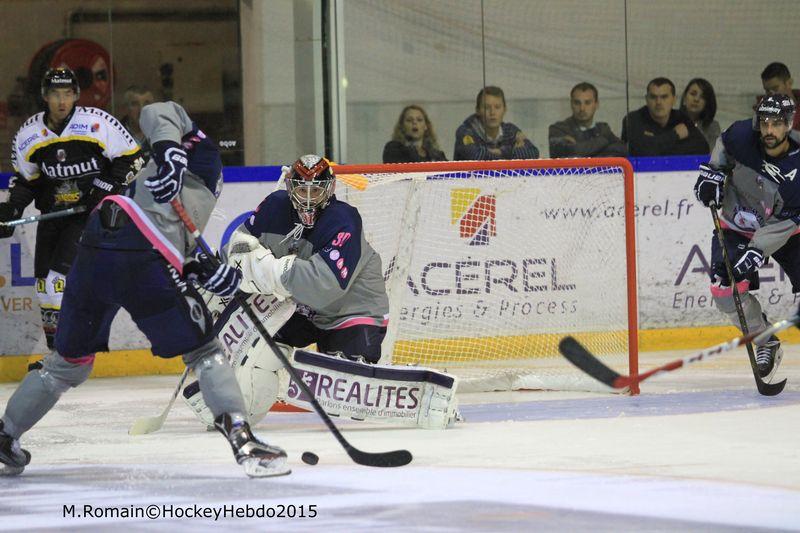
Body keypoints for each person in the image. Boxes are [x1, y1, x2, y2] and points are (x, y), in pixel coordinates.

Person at [0, 101, 290, 478]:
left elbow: (172, 246)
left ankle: (6, 435)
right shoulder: (198, 151)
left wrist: (201, 270)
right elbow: (159, 110)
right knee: (204, 352)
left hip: (94, 251)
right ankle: (242, 438)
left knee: (65, 367)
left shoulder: (178, 188)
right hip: (139, 254)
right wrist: (170, 151)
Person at [0, 67, 144, 349]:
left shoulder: (97, 123)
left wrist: (102, 190)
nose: (62, 101)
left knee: (56, 283)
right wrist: (13, 209)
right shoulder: (30, 134)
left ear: (76, 95)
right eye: (55, 94)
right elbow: (27, 181)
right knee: (44, 288)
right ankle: (59, 353)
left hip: (88, 217)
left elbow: (133, 159)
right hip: (52, 217)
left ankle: (67, 354)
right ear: (45, 96)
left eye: (67, 93)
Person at [225, 154, 390, 365]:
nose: (309, 199)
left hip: (351, 312)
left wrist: (267, 270)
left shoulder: (344, 220)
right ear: (290, 187)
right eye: (303, 190)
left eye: (317, 191)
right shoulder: (274, 206)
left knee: (341, 380)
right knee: (253, 352)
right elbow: (239, 246)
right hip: (300, 310)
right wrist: (225, 271)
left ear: (329, 189)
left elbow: (321, 289)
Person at [693, 94, 799, 382]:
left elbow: (788, 220)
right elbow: (722, 150)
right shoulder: (740, 135)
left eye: (777, 124)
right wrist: (712, 174)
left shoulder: (798, 167)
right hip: (736, 225)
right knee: (724, 289)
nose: (769, 130)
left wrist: (757, 250)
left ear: (789, 124)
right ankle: (765, 341)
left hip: (788, 232)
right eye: (764, 122)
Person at [621, 77, 709, 156]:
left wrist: (654, 144)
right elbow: (641, 152)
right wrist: (674, 135)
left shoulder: (682, 118)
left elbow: (702, 148)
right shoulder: (633, 119)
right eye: (653, 97)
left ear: (674, 99)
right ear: (646, 99)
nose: (658, 102)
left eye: (664, 97)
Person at [454, 86, 539, 161]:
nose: (492, 112)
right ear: (478, 110)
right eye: (487, 108)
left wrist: (501, 152)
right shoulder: (465, 132)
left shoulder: (510, 130)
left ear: (504, 110)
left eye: (497, 107)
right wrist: (512, 153)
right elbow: (476, 156)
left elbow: (533, 152)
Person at [548, 82, 627, 158]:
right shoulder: (558, 129)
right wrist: (604, 140)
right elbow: (575, 150)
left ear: (596, 104)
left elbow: (622, 150)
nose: (582, 108)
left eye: (587, 103)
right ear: (571, 104)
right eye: (577, 103)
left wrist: (585, 153)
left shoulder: (603, 128)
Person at [680, 78, 721, 149]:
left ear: (707, 104)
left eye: (702, 97)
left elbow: (713, 155)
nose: (696, 99)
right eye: (693, 94)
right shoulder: (671, 123)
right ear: (684, 99)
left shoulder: (712, 127)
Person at [757, 62, 800, 131]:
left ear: (789, 83)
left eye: (775, 88)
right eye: (767, 90)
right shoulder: (759, 113)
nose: (771, 94)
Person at [120, 85, 156, 157]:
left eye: (147, 103)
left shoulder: (162, 134)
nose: (142, 110)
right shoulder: (114, 135)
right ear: (125, 108)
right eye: (135, 104)